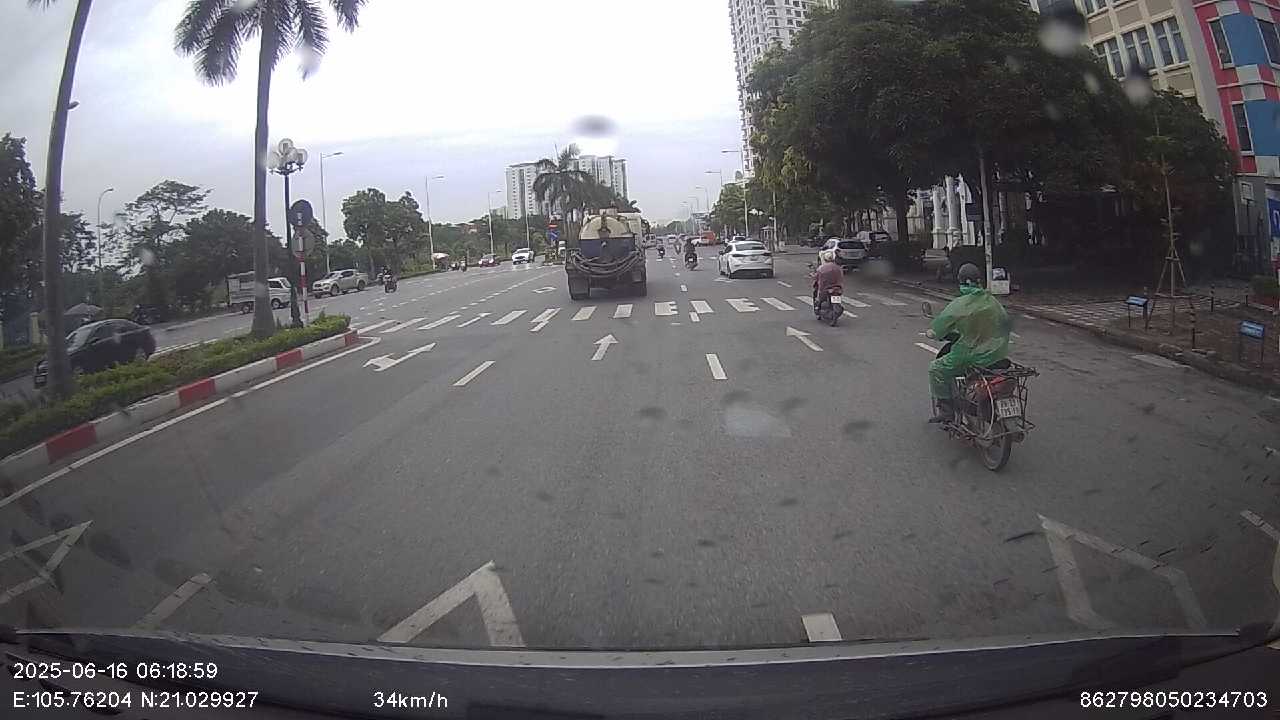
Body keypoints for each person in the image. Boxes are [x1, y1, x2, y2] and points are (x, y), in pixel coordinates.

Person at [926, 263, 1011, 423]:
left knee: (936, 369)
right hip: (998, 354)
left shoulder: (961, 304)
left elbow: (939, 327)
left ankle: (947, 412)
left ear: (961, 280)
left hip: (972, 355)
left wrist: (932, 333)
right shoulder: (993, 301)